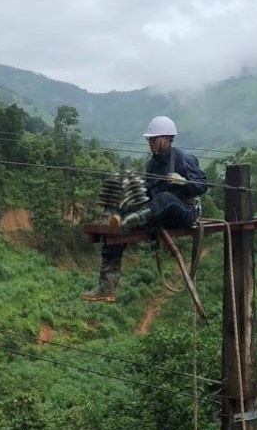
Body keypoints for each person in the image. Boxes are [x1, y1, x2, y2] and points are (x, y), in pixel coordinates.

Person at [81, 115, 207, 303]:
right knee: (116, 226)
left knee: (166, 199)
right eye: (149, 139)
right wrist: (129, 202)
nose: (150, 143)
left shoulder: (183, 158)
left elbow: (202, 185)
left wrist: (184, 181)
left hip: (185, 212)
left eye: (153, 139)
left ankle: (129, 221)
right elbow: (148, 191)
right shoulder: (153, 164)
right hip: (158, 211)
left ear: (166, 138)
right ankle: (106, 287)